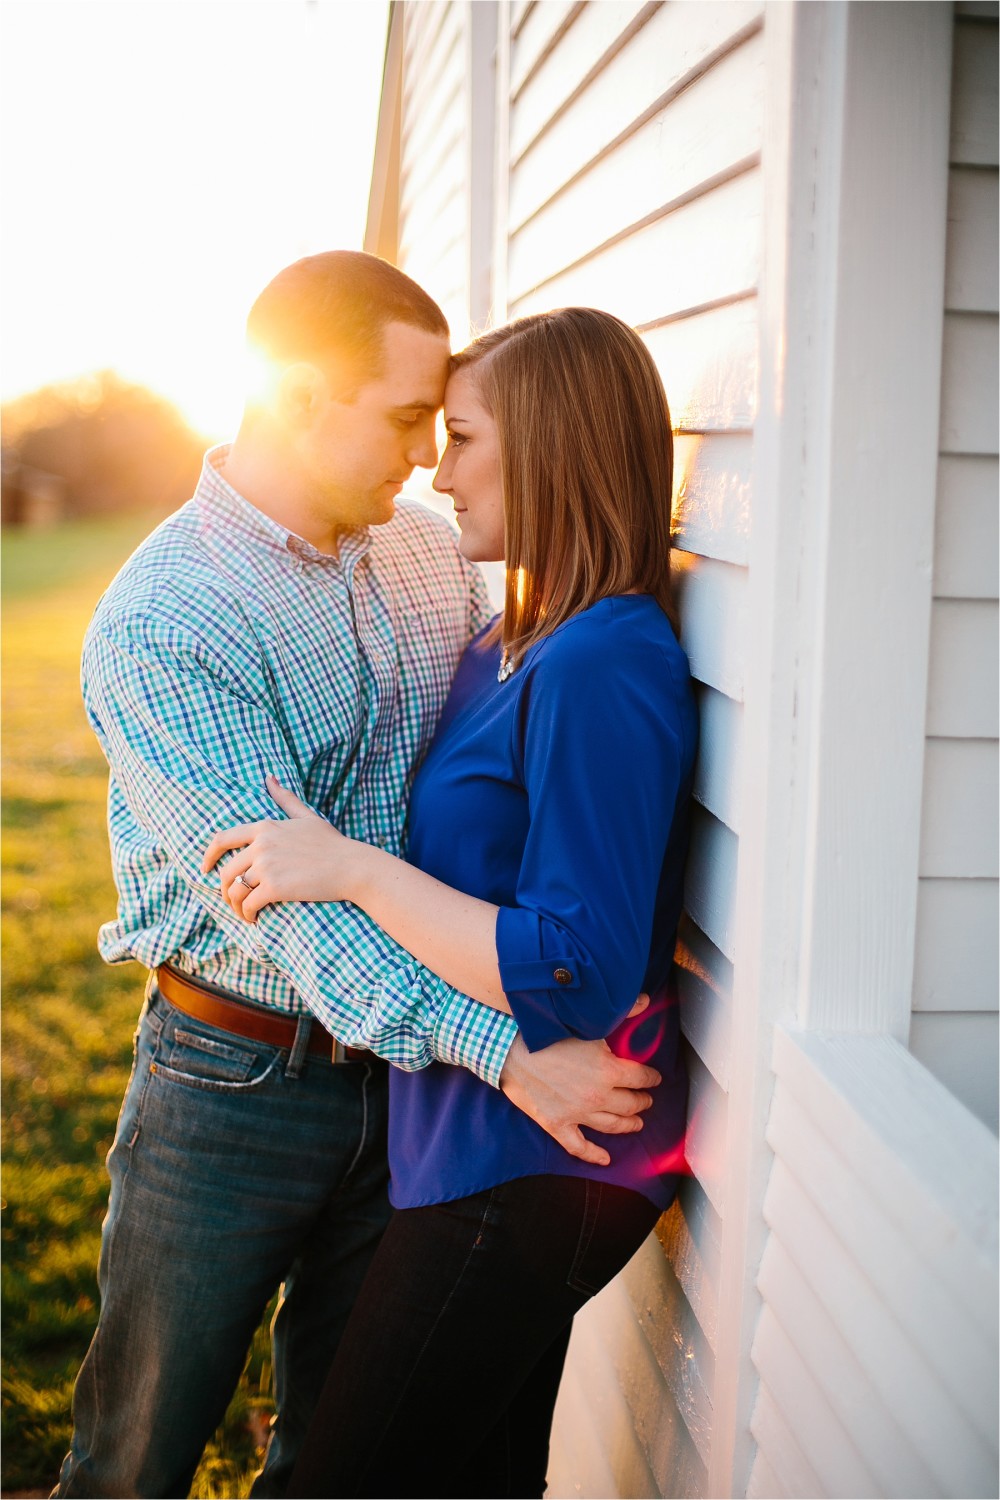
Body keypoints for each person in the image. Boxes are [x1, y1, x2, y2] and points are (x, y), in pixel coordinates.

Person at [54, 258, 662, 1500]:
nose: (428, 457)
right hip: (234, 1082)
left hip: (408, 1093)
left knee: (336, 1452)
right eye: (403, 420)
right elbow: (291, 914)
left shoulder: (432, 557)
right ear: (294, 397)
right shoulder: (169, 618)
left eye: (447, 426)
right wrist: (501, 1048)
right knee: (135, 1460)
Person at [204, 306, 699, 1499]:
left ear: (551, 447)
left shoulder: (603, 662)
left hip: (533, 1166)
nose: (435, 465)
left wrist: (355, 870)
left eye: (465, 437)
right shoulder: (509, 638)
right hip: (465, 1142)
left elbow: (575, 960)